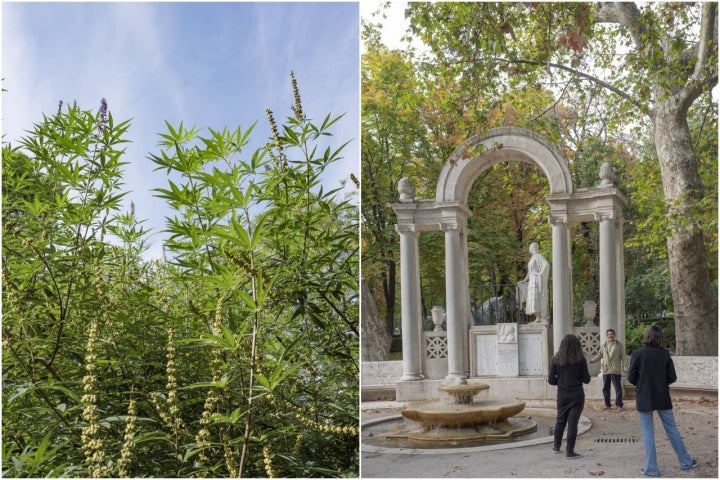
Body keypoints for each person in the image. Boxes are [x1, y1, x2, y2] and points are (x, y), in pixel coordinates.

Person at [627, 325, 698, 476]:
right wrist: (660, 382)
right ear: (660, 338)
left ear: (647, 336)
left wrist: (642, 383)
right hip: (662, 397)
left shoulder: (638, 354)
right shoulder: (665, 354)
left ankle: (651, 468)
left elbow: (631, 377)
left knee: (648, 433)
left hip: (644, 397)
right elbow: (672, 377)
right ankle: (685, 462)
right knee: (672, 429)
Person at [548, 334, 591, 458]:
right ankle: (570, 451)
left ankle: (556, 446)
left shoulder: (556, 359)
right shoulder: (581, 359)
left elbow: (551, 380)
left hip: (562, 395)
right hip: (577, 395)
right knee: (573, 423)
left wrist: (561, 382)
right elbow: (587, 379)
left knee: (560, 421)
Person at [589, 328, 627, 411]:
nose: (610, 335)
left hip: (615, 370)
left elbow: (623, 357)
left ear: (614, 335)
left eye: (611, 334)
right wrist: (592, 360)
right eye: (608, 334)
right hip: (606, 370)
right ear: (607, 336)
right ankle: (607, 405)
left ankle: (619, 405)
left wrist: (625, 368)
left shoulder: (619, 345)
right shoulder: (603, 345)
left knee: (618, 388)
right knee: (606, 388)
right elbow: (599, 355)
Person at [517, 242, 550, 323]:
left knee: (537, 298)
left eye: (530, 248)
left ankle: (540, 317)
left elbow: (546, 265)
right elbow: (530, 272)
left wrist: (539, 274)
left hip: (536, 281)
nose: (529, 250)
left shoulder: (538, 256)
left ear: (534, 248)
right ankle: (537, 317)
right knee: (533, 299)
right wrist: (524, 280)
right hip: (532, 281)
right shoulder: (532, 258)